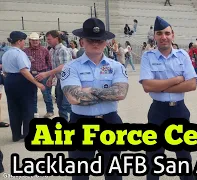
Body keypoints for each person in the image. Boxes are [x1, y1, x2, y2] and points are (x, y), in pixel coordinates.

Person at [61, 18, 129, 180]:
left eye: (100, 40)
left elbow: (121, 93)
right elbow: (73, 98)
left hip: (110, 121)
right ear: (82, 42)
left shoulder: (116, 66)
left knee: (113, 172)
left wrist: (89, 90)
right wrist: (107, 93)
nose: (96, 43)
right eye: (91, 39)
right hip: (80, 123)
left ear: (105, 42)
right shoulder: (71, 67)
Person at [139, 16, 197, 180]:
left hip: (179, 109)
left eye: (167, 33)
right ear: (155, 36)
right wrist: (177, 80)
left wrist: (161, 85)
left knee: (184, 156)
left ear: (173, 35)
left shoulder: (182, 55)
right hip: (158, 111)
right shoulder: (148, 56)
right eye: (159, 33)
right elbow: (147, 86)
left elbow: (192, 84)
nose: (163, 37)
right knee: (153, 157)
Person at [2, 31, 45, 142]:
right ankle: (28, 134)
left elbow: (5, 71)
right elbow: (24, 70)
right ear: (19, 41)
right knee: (28, 108)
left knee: (13, 108)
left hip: (9, 80)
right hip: (22, 80)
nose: (24, 43)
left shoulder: (6, 53)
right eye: (23, 41)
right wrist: (37, 83)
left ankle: (16, 135)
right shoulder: (20, 53)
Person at [35, 30, 72, 121]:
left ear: (56, 38)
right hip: (60, 80)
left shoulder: (63, 50)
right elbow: (55, 66)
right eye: (47, 39)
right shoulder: (52, 51)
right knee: (59, 103)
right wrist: (51, 77)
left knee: (66, 105)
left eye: (49, 39)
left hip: (68, 80)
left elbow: (63, 66)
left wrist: (47, 74)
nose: (48, 41)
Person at [23, 32, 54, 118]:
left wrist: (50, 75)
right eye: (33, 40)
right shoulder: (25, 51)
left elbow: (49, 63)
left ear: (39, 41)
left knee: (46, 94)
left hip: (43, 73)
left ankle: (50, 111)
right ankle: (34, 112)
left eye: (37, 40)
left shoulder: (44, 50)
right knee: (32, 94)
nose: (35, 42)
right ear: (30, 41)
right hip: (30, 74)